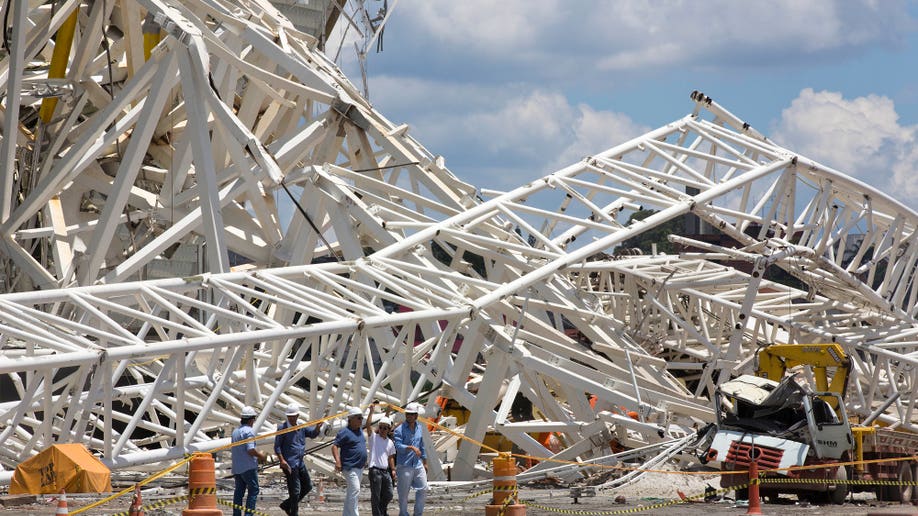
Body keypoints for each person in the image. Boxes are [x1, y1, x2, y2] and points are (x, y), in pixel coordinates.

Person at [274, 402, 323, 516]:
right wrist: (282, 460)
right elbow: (277, 446)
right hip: (290, 464)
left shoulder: (301, 427)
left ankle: (287, 505)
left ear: (297, 416)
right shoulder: (282, 428)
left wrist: (317, 428)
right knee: (295, 491)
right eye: (289, 416)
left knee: (308, 486)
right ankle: (293, 512)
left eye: (293, 416)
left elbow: (311, 434)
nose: (291, 418)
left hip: (299, 463)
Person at [393, 403, 428, 516]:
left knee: (423, 488)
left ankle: (418, 513)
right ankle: (403, 513)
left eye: (412, 414)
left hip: (417, 464)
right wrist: (410, 447)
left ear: (416, 416)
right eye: (408, 414)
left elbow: (421, 445)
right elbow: (398, 446)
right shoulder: (399, 430)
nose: (409, 416)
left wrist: (425, 461)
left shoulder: (419, 428)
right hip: (404, 465)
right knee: (403, 493)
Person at [333, 406, 368, 516]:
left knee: (351, 492)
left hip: (359, 467)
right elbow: (334, 446)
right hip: (350, 467)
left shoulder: (360, 431)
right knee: (355, 489)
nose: (361, 420)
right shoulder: (344, 432)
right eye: (358, 418)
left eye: (361, 418)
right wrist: (338, 461)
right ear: (351, 419)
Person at [231, 406, 266, 516]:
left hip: (237, 468)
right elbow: (250, 450)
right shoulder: (249, 432)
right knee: (254, 490)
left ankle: (236, 514)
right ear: (251, 420)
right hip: (248, 467)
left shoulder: (235, 432)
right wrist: (261, 456)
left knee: (239, 492)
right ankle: (248, 514)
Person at [366, 404, 396, 516]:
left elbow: (391, 457)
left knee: (389, 494)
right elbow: (368, 425)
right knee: (376, 496)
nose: (383, 430)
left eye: (385, 428)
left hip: (385, 471)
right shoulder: (374, 438)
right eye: (381, 427)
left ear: (389, 430)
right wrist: (371, 412)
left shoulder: (390, 442)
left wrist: (393, 470)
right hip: (375, 470)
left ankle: (381, 511)